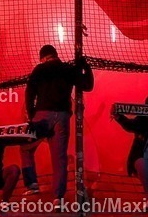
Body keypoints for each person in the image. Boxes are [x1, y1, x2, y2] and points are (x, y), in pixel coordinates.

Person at [19, 45, 94, 205]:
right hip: (62, 116)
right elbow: (88, 85)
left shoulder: (39, 70)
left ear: (43, 57)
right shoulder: (68, 68)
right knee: (59, 159)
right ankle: (58, 198)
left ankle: (32, 185)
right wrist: (85, 67)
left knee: (26, 147)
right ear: (55, 55)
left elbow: (29, 92)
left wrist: (32, 116)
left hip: (43, 115)